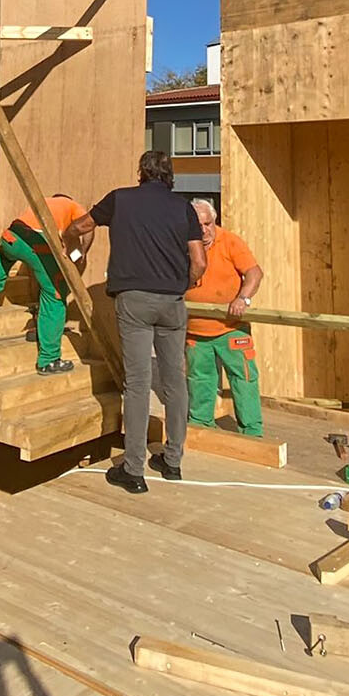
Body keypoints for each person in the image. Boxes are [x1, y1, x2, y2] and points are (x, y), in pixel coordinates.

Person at [67, 150, 204, 494]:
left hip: (134, 301)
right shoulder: (183, 207)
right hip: (172, 303)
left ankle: (133, 469)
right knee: (175, 381)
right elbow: (199, 260)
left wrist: (71, 241)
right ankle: (172, 461)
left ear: (141, 172)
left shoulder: (120, 200)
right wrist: (184, 284)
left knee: (139, 384)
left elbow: (80, 225)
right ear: (169, 175)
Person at [183, 199, 265, 438]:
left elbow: (254, 273)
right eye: (197, 224)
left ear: (214, 220)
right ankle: (200, 427)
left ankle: (252, 432)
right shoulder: (182, 243)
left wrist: (243, 299)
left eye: (207, 224)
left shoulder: (230, 241)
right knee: (200, 379)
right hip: (196, 330)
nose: (203, 230)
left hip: (232, 328)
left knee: (244, 378)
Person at [0, 194, 92, 375]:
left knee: (4, 257)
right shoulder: (72, 205)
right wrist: (83, 253)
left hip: (11, 236)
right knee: (55, 293)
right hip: (35, 242)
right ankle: (49, 360)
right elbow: (88, 229)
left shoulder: (45, 202)